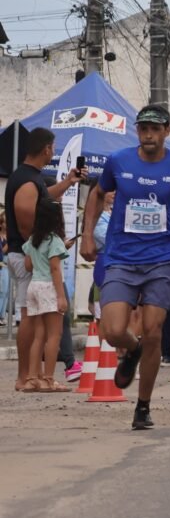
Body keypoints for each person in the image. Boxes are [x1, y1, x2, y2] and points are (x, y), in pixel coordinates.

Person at [80, 104, 170, 430]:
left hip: (164, 260)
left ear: (166, 132)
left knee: (154, 328)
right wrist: (88, 235)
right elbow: (97, 191)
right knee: (114, 330)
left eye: (155, 129)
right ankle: (133, 351)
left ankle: (142, 407)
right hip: (121, 258)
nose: (148, 134)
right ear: (138, 131)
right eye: (144, 128)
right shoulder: (119, 161)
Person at [5, 128, 83, 391]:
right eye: (53, 147)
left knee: (35, 318)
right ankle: (24, 377)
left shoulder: (31, 178)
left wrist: (69, 182)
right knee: (29, 316)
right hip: (26, 256)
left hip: (29, 254)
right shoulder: (27, 181)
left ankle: (34, 377)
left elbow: (44, 198)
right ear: (47, 148)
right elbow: (27, 224)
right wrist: (36, 253)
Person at [21, 201, 71, 392]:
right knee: (54, 336)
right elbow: (55, 269)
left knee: (38, 336)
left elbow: (28, 266)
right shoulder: (55, 240)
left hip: (34, 286)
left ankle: (32, 378)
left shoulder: (33, 239)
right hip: (49, 287)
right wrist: (61, 297)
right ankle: (49, 379)